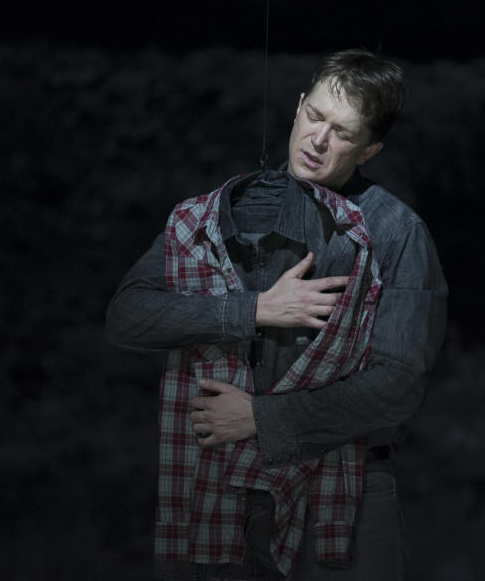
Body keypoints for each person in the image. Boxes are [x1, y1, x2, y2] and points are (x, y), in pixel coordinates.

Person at [106, 49, 447, 580]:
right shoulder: (217, 216)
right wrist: (255, 309)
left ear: (370, 149)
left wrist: (262, 419)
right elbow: (128, 316)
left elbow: (398, 386)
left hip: (343, 486)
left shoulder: (394, 231)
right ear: (296, 107)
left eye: (343, 132)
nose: (318, 141)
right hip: (221, 488)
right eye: (314, 116)